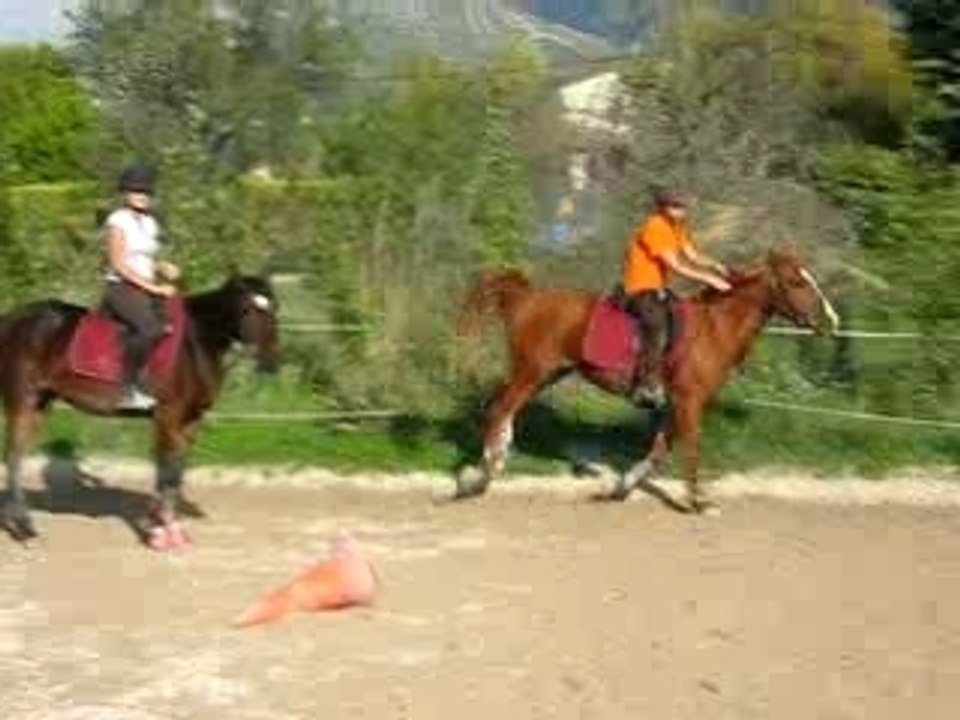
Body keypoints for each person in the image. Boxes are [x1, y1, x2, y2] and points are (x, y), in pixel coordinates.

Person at [620, 188, 731, 407]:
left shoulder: (676, 226)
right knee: (655, 324)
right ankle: (646, 384)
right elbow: (675, 265)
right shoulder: (654, 227)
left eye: (683, 206)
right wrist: (709, 279)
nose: (681, 211)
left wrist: (716, 265)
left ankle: (672, 373)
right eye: (676, 206)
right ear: (663, 207)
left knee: (683, 317)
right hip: (639, 288)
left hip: (658, 289)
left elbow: (691, 255)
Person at [100, 165, 180, 410]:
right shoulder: (117, 221)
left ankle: (163, 384)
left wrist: (163, 267)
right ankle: (128, 389)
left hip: (146, 286)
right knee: (150, 328)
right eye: (136, 191)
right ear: (125, 193)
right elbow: (119, 263)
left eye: (146, 191)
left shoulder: (150, 222)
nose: (142, 196)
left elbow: (146, 258)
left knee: (175, 326)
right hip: (121, 288)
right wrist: (154, 289)